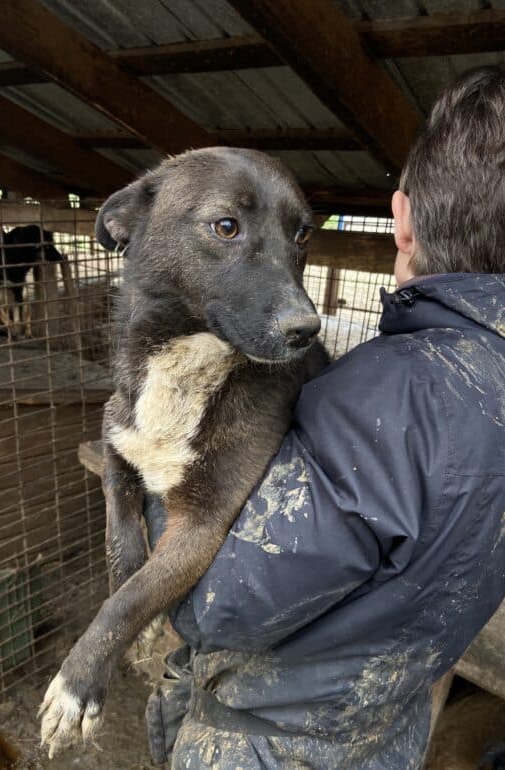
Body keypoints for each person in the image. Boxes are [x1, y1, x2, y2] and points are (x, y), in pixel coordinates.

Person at [143, 65, 505, 770]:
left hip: (272, 750)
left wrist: (157, 459)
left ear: (401, 220)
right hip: (387, 733)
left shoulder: (386, 397)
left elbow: (215, 605)